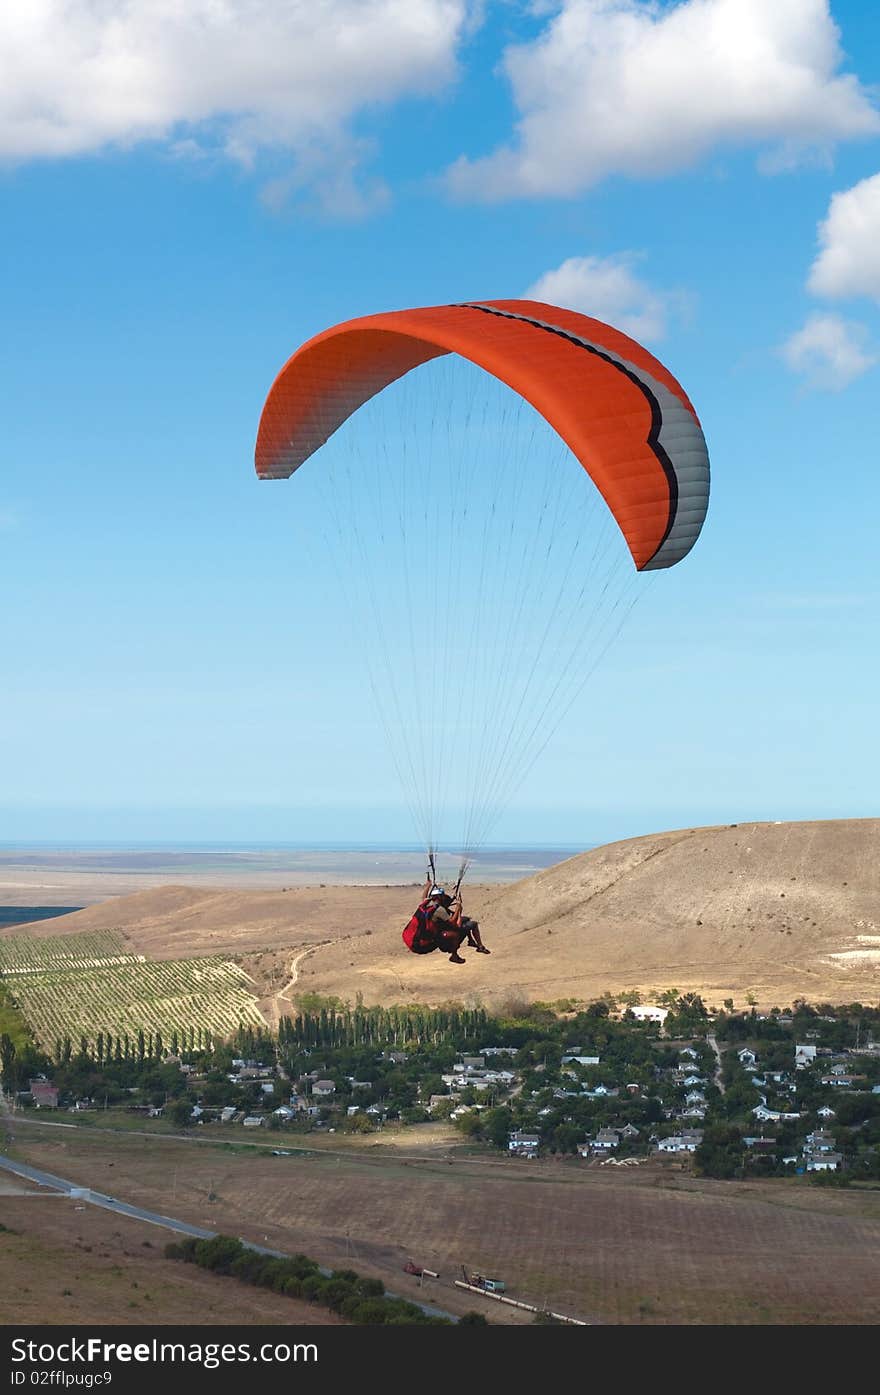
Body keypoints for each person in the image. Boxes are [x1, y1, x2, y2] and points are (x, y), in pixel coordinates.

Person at [402, 877, 491, 964]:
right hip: (423, 945)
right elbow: (455, 924)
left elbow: (423, 897)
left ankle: (471, 941)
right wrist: (458, 908)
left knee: (466, 919)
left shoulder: (426, 903)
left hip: (412, 939)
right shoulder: (439, 910)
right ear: (439, 898)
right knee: (470, 925)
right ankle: (455, 955)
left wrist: (428, 885)